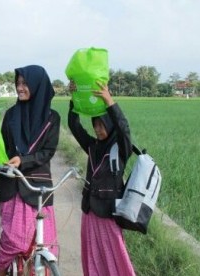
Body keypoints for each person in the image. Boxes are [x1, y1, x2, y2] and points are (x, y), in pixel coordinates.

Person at [0, 65, 61, 276]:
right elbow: (0, 149)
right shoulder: (12, 115)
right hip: (12, 186)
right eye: (18, 83)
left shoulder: (52, 118)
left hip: (38, 188)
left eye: (25, 84)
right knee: (12, 242)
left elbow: (47, 152)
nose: (20, 88)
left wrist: (23, 160)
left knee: (45, 243)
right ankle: (2, 272)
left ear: (37, 86)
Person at [67, 80, 135, 275]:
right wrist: (74, 99)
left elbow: (124, 129)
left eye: (102, 124)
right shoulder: (93, 146)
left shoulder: (121, 149)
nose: (97, 129)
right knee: (92, 254)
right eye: (95, 124)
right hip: (90, 211)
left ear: (110, 124)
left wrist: (109, 101)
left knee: (114, 255)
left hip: (108, 213)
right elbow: (74, 126)